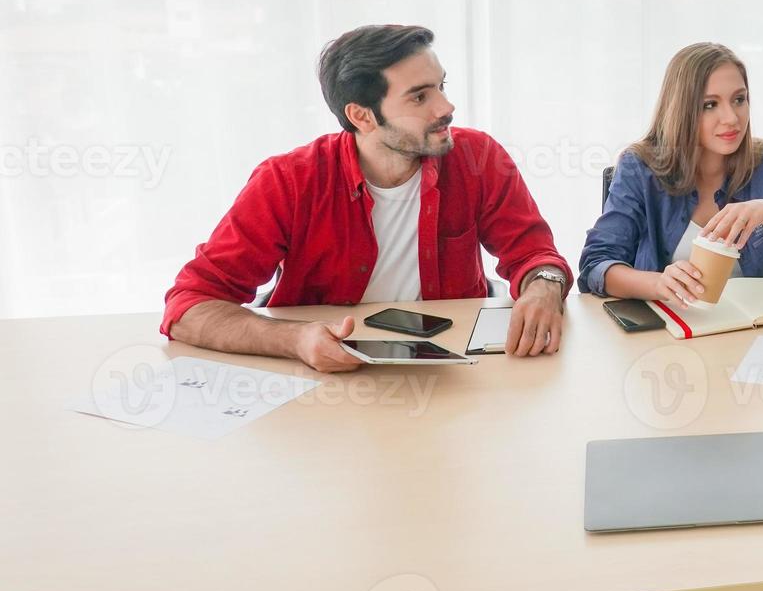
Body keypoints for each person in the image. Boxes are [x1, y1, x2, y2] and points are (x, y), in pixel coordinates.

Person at [578, 41, 763, 591]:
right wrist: (653, 281)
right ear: (679, 111)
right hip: (667, 366)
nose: (730, 118)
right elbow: (595, 267)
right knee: (672, 499)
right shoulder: (641, 167)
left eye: (739, 100)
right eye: (711, 104)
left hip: (754, 367)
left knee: (747, 496)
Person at [162, 24, 571, 368]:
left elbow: (535, 255)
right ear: (361, 116)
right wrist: (294, 340)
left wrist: (543, 288)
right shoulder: (288, 181)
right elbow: (189, 306)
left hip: (452, 375)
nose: (446, 107)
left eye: (442, 86)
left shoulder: (477, 156)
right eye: (419, 96)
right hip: (325, 383)